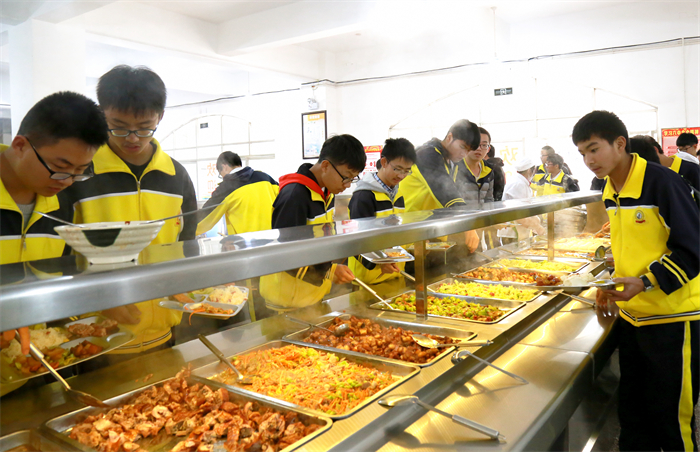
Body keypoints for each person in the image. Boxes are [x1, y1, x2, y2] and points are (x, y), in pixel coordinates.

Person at [573, 110, 699, 451]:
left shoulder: (662, 183)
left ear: (620, 143)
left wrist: (645, 282)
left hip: (672, 320)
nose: (588, 160)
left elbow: (693, 250)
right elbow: (632, 246)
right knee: (634, 418)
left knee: (672, 422)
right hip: (633, 320)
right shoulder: (609, 189)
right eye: (582, 153)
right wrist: (612, 282)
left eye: (594, 149)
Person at [60, 65, 198, 356]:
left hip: (164, 334)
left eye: (145, 127)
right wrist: (95, 297)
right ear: (102, 115)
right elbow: (58, 256)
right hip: (99, 342)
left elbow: (186, 246)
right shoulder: (79, 172)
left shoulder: (176, 175)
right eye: (119, 126)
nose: (132, 138)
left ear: (160, 117)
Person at [0, 91, 109, 395]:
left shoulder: (59, 206)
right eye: (60, 166)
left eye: (79, 172)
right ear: (20, 146)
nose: (66, 181)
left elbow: (51, 281)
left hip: (28, 371)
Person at [259, 134, 366, 309]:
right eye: (346, 177)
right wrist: (330, 271)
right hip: (286, 301)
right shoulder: (295, 196)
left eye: (353, 178)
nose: (347, 185)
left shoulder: (326, 193)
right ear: (325, 166)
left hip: (313, 298)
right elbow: (285, 256)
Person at [401, 119, 481, 252]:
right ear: (449, 137)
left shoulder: (452, 161)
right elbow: (447, 193)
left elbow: (458, 192)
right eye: (462, 147)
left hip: (430, 232)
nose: (464, 154)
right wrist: (469, 226)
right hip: (411, 231)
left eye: (468, 151)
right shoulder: (427, 154)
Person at [348, 138, 416, 285]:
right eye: (397, 169)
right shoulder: (364, 196)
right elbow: (355, 241)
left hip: (395, 274)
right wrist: (378, 263)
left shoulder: (398, 195)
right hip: (367, 281)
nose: (401, 176)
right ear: (384, 162)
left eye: (406, 171)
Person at [196, 152, 278, 236]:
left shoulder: (227, 188)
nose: (223, 177)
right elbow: (281, 199)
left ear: (224, 167)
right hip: (273, 238)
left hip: (246, 241)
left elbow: (204, 217)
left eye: (221, 174)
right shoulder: (265, 178)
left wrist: (188, 229)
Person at [497, 156, 545, 243]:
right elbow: (518, 214)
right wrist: (537, 227)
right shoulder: (518, 184)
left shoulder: (521, 181)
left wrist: (535, 221)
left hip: (518, 231)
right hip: (512, 233)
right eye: (534, 170)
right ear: (529, 170)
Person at [457, 126, 495, 204]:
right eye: (475, 144)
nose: (478, 148)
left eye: (484, 145)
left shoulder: (488, 170)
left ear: (488, 149)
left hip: (482, 212)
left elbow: (489, 200)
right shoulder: (455, 169)